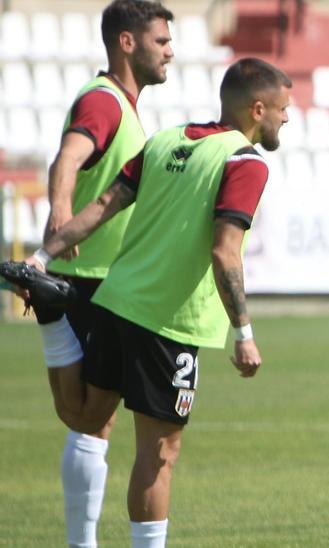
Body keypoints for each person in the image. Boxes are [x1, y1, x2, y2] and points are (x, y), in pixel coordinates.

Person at [1, 57, 290, 547]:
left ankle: (52, 318)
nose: (286, 118)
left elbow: (102, 206)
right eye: (282, 110)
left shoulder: (166, 139)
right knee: (160, 453)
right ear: (257, 109)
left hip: (117, 300)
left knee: (86, 420)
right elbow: (225, 252)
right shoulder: (245, 162)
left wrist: (42, 256)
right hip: (168, 321)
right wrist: (244, 333)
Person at [33, 1, 174, 546]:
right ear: (127, 42)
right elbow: (66, 159)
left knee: (92, 421)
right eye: (160, 40)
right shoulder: (105, 102)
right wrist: (60, 215)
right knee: (91, 420)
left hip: (97, 277)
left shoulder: (120, 104)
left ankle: (80, 543)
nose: (170, 51)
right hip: (91, 276)